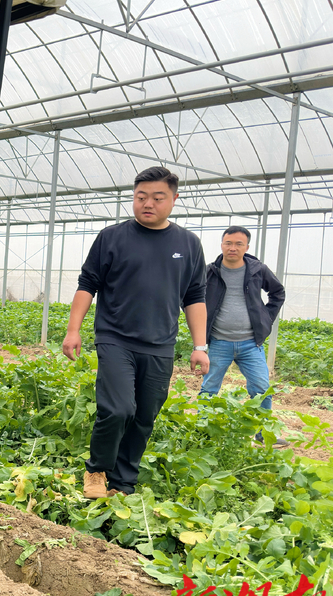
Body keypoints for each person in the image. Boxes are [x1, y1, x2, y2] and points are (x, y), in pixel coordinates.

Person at [62, 166, 210, 499]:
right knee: (117, 409)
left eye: (158, 198)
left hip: (160, 344)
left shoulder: (188, 244)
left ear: (173, 199)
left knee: (144, 416)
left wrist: (200, 345)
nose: (148, 204)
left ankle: (123, 482)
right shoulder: (112, 238)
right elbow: (88, 285)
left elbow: (195, 297)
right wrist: (74, 330)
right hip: (115, 338)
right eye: (141, 197)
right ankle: (97, 470)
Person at [200, 225, 287, 447]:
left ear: (247, 247)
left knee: (262, 389)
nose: (233, 248)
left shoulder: (258, 270)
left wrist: (266, 317)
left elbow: (277, 292)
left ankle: (262, 435)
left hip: (251, 343)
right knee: (209, 389)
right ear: (221, 245)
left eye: (239, 244)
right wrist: (201, 319)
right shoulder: (210, 271)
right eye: (228, 243)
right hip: (220, 341)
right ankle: (202, 431)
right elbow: (190, 296)